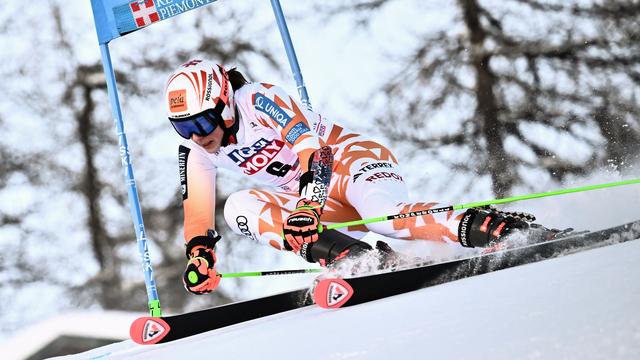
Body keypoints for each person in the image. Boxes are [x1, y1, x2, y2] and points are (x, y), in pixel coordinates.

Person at [165, 59, 540, 295]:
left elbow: (316, 152)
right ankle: (352, 259)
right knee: (237, 207)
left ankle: (496, 227)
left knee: (388, 217)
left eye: (202, 120)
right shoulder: (196, 150)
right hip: (314, 202)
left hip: (348, 162)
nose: (198, 135)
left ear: (224, 102)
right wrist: (201, 255)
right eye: (184, 128)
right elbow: (197, 214)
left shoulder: (259, 100)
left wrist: (308, 207)